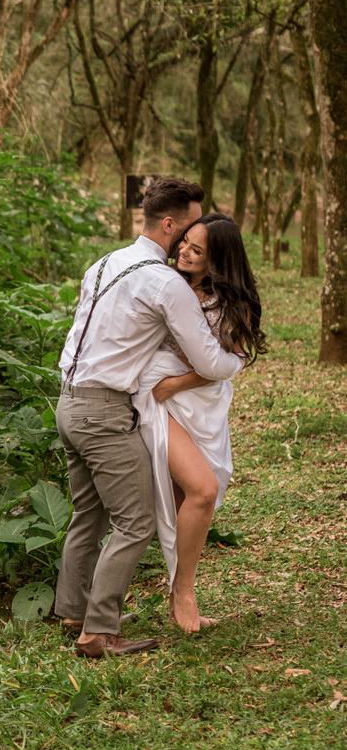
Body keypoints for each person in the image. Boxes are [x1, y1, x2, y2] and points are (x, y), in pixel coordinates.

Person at [54, 177, 245, 659]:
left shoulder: (105, 262)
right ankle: (98, 631)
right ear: (169, 223)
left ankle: (73, 611)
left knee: (88, 514)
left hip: (67, 403)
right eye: (188, 229)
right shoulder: (162, 282)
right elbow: (209, 361)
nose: (187, 241)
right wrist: (238, 361)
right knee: (135, 522)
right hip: (103, 411)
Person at [131, 213, 267, 633]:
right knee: (202, 489)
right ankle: (183, 592)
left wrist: (179, 382)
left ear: (219, 259)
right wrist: (167, 385)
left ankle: (175, 592)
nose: (184, 253)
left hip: (199, 403)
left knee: (185, 498)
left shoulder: (234, 301)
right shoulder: (167, 284)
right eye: (185, 243)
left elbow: (232, 361)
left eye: (197, 250)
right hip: (158, 399)